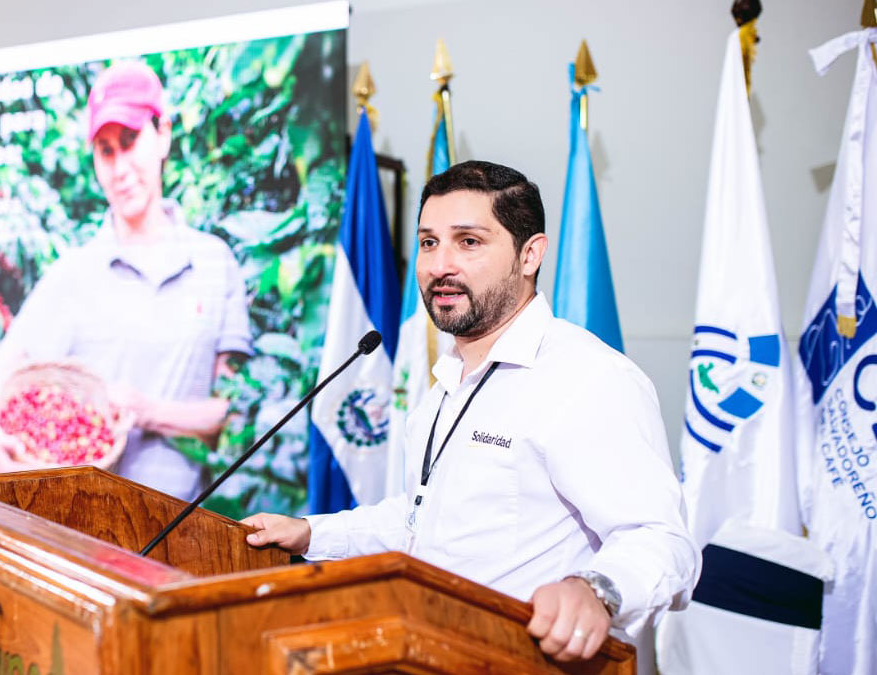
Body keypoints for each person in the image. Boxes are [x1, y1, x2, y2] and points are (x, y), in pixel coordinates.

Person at [242, 161, 699, 662]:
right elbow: (425, 519)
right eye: (428, 242)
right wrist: (312, 533)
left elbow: (662, 539)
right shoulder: (448, 380)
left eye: (469, 242)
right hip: (430, 655)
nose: (440, 265)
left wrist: (594, 592)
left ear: (530, 255)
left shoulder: (588, 379)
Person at [0, 60, 253, 500]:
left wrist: (149, 412)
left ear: (163, 135)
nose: (121, 166)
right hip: (83, 530)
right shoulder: (73, 272)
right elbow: (6, 364)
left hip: (185, 529)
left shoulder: (214, 262)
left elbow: (234, 412)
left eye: (130, 140)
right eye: (106, 150)